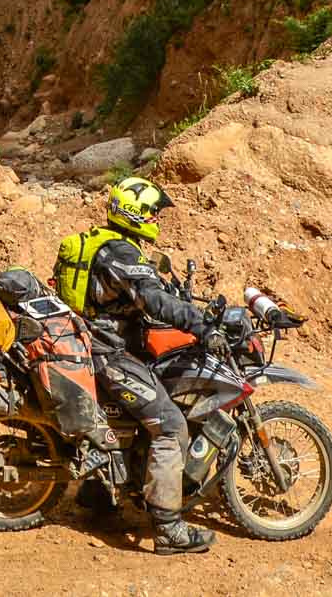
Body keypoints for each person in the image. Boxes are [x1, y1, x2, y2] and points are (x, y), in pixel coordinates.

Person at [53, 176, 218, 555]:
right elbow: (154, 301)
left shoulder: (107, 243)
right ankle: (169, 530)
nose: (158, 217)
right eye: (154, 211)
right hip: (109, 354)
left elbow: (147, 292)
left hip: (94, 343)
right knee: (170, 425)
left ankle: (98, 496)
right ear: (137, 213)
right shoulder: (122, 254)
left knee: (134, 415)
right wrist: (201, 325)